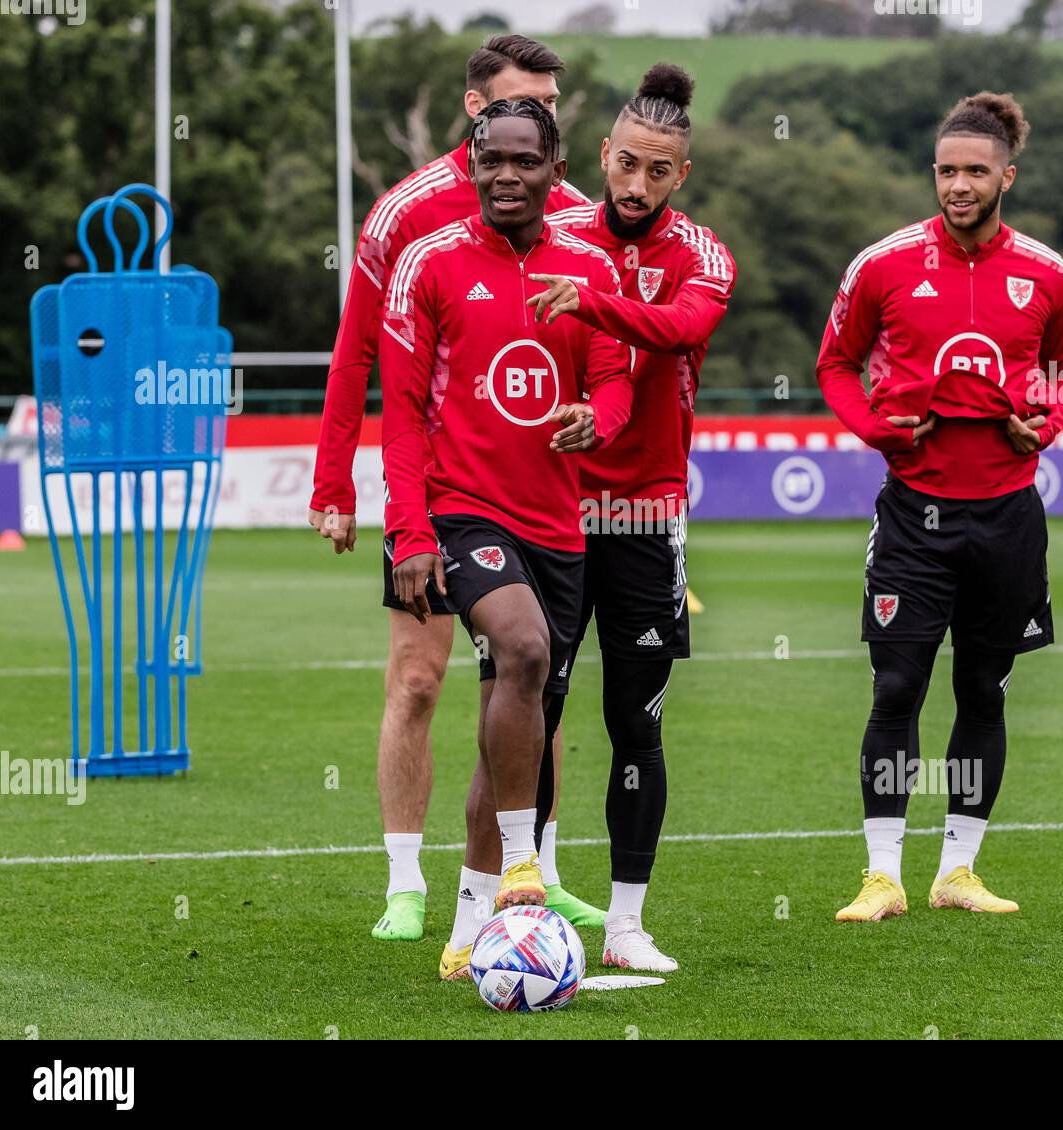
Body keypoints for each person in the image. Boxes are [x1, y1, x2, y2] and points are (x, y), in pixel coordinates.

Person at [307, 36, 602, 944]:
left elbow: (617, 335)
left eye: (550, 109)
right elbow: (361, 349)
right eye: (527, 100)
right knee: (421, 680)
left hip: (545, 501)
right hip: (439, 496)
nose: (548, 114)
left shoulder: (575, 218)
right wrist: (334, 479)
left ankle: (534, 874)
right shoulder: (407, 218)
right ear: (478, 115)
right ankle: (405, 882)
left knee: (531, 672)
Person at [378, 97, 634, 979]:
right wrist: (409, 530)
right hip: (460, 512)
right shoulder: (429, 263)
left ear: (554, 166)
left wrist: (594, 420)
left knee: (515, 718)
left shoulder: (591, 264)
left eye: (526, 160)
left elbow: (615, 380)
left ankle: (468, 923)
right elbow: (403, 417)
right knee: (520, 648)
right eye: (493, 160)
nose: (507, 176)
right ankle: (526, 866)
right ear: (474, 162)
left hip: (558, 523)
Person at [815, 91, 1063, 922]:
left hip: (1006, 517)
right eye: (945, 170)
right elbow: (834, 364)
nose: (958, 185)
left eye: (974, 171)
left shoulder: (1048, 274)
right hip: (914, 517)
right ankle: (882, 875)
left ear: (1008, 173)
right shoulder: (884, 265)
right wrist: (879, 432)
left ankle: (957, 871)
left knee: (984, 691)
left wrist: (1045, 422)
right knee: (896, 686)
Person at [521, 64, 736, 972]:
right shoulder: (552, 234)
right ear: (604, 155)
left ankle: (624, 926)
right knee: (536, 703)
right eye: (627, 164)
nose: (637, 184)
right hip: (555, 507)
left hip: (644, 515)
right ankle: (527, 901)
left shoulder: (704, 255)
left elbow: (681, 329)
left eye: (658, 171)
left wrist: (597, 297)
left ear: (679, 176)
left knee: (633, 721)